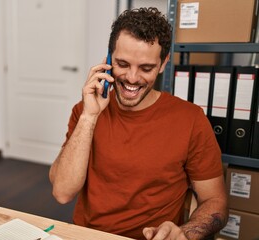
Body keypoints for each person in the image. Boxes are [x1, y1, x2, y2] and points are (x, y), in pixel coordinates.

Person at [49, 7, 228, 240]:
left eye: (146, 68)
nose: (132, 78)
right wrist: (89, 117)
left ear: (163, 63)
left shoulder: (191, 119)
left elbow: (216, 202)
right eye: (122, 64)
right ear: (108, 57)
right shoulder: (85, 111)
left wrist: (185, 233)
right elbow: (62, 193)